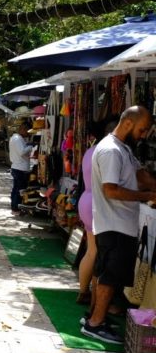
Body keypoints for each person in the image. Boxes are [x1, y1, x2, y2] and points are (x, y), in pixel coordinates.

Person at [83, 106, 156, 344]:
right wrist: (145, 196)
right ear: (128, 123)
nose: (144, 135)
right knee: (109, 277)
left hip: (119, 223)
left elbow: (139, 174)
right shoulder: (111, 151)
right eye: (142, 129)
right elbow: (111, 190)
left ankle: (94, 317)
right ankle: (95, 324)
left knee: (107, 274)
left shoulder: (123, 148)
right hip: (114, 223)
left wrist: (152, 187)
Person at [76, 120, 115, 305]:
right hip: (97, 203)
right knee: (98, 253)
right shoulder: (107, 152)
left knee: (91, 251)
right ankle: (95, 300)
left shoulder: (91, 151)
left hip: (86, 200)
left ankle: (84, 292)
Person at [9, 120, 33, 215]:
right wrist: (30, 146)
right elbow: (22, 152)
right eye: (27, 131)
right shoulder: (17, 139)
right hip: (20, 168)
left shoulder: (17, 138)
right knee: (19, 189)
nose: (28, 134)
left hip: (18, 167)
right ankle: (16, 208)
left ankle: (15, 207)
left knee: (16, 188)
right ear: (23, 129)